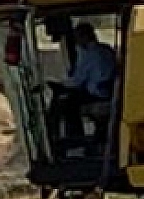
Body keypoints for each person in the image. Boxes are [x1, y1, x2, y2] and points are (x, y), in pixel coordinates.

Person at [49, 22, 118, 152]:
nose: (76, 41)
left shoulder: (89, 54)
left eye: (78, 37)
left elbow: (78, 80)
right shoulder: (106, 49)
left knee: (64, 105)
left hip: (98, 93)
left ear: (85, 37)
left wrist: (59, 84)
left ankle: (73, 139)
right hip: (110, 91)